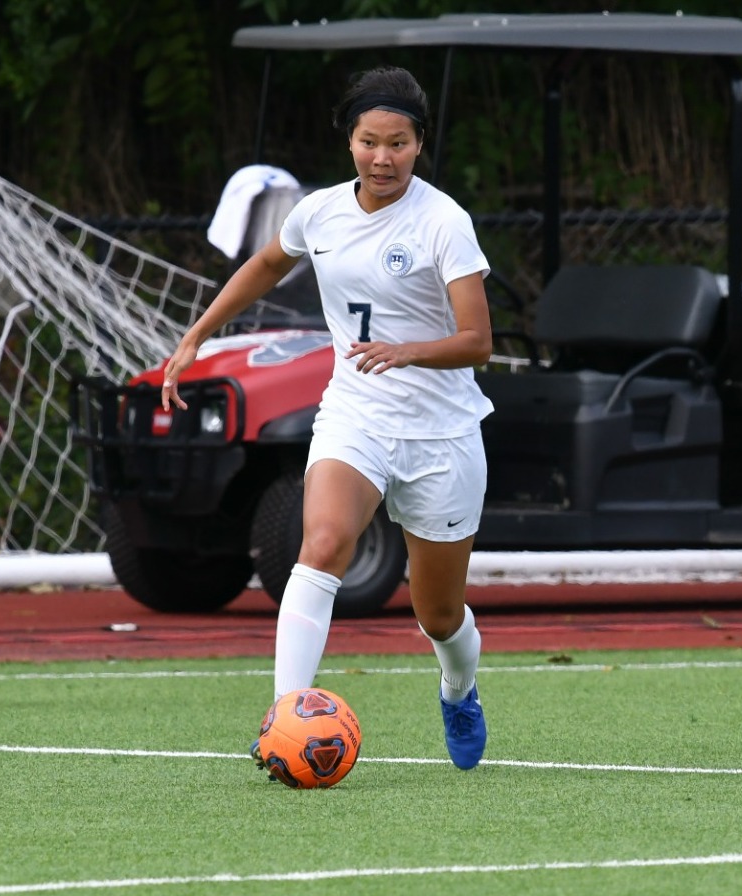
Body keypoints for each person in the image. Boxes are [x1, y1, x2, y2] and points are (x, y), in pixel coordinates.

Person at [160, 66, 493, 771]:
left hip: (441, 433)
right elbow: (265, 264)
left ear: (419, 144)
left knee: (436, 613)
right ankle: (286, 721)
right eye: (370, 141)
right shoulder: (319, 212)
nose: (383, 157)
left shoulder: (444, 222)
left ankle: (458, 687)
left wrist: (407, 352)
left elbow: (477, 342)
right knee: (323, 544)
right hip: (355, 414)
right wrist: (196, 335)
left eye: (398, 143)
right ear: (349, 142)